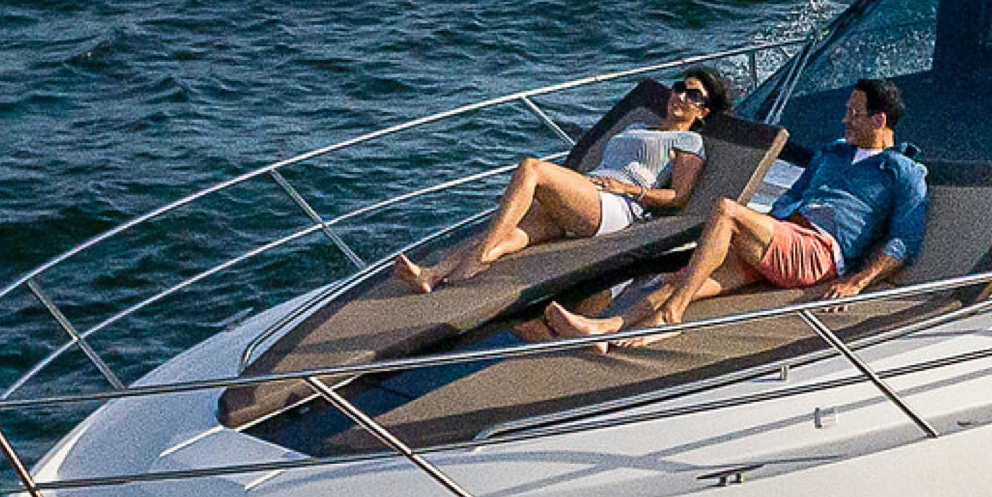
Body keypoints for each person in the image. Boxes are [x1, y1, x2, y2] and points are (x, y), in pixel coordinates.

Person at [546, 78, 926, 342]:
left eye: (854, 113)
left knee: (727, 211)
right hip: (779, 241)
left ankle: (671, 318)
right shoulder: (833, 152)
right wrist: (760, 229)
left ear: (879, 120)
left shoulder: (902, 171)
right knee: (686, 275)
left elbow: (904, 239)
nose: (845, 118)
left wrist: (857, 282)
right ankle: (603, 329)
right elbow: (790, 196)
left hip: (817, 251)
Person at [394, 71, 732, 292]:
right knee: (509, 230)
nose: (681, 97)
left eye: (694, 96)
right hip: (589, 195)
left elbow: (678, 195)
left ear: (703, 112)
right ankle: (434, 274)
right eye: (679, 88)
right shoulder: (637, 127)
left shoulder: (690, 143)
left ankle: (478, 260)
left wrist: (629, 189)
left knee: (532, 169)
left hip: (617, 207)